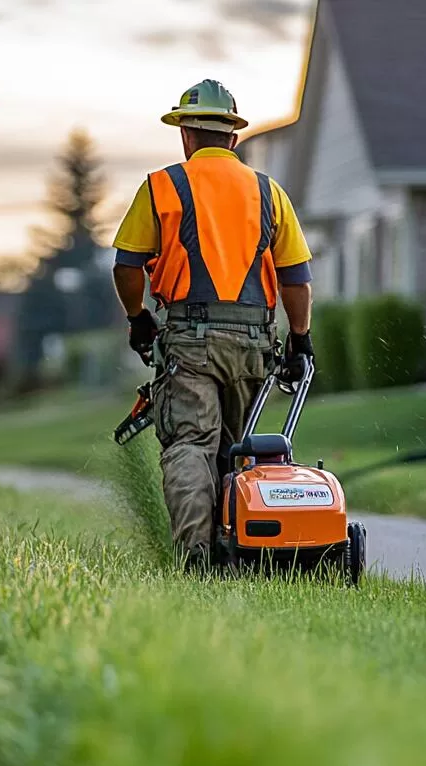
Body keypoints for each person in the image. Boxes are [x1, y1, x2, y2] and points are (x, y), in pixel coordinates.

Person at [112, 79, 315, 572]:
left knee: (189, 443)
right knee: (235, 449)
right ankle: (238, 553)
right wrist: (301, 339)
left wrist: (138, 319)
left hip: (189, 341)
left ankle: (197, 559)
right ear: (233, 138)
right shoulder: (269, 192)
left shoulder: (163, 186)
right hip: (252, 342)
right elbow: (296, 279)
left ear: (185, 134)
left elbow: (126, 265)